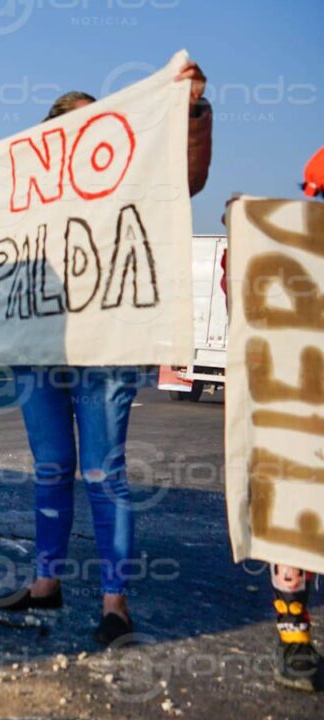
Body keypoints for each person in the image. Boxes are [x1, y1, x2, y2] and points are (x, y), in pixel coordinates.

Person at [0, 61, 213, 647]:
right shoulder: (25, 192)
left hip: (107, 346)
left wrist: (193, 112)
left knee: (101, 472)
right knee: (50, 468)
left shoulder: (127, 179)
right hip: (38, 346)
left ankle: (116, 603)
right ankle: (46, 584)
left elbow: (185, 179)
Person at [221, 147, 324, 691]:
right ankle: (294, 637)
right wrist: (246, 245)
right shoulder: (297, 247)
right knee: (295, 506)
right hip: (303, 400)